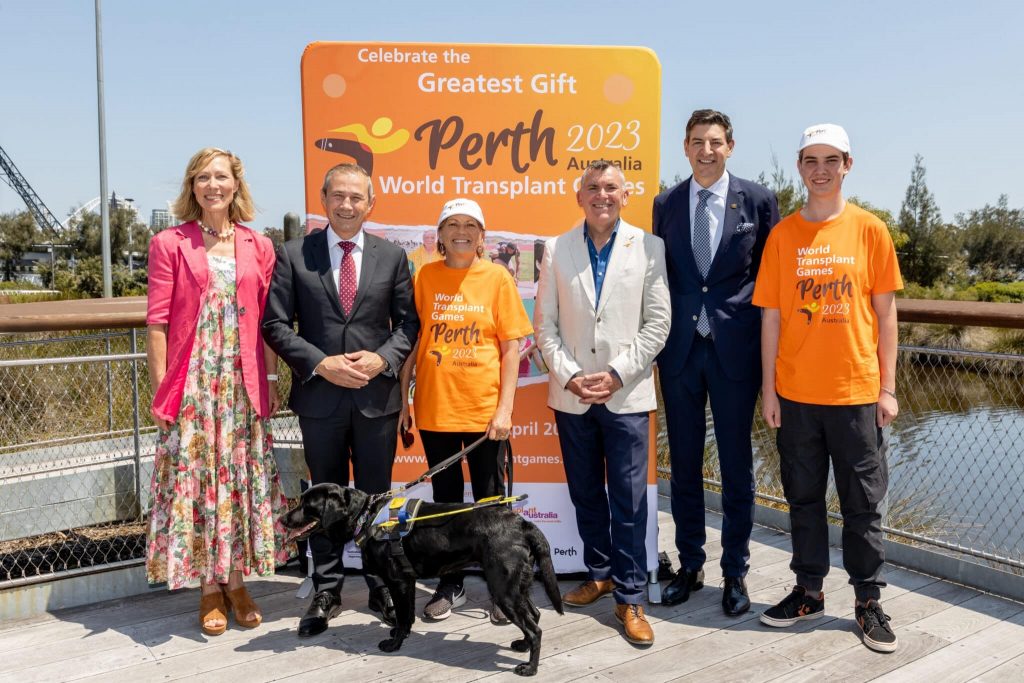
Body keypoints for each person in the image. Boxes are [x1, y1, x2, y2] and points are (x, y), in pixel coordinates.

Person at [753, 124, 902, 653]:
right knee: (803, 500)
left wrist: (887, 387)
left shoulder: (870, 230)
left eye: (831, 160)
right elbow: (770, 318)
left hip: (857, 395)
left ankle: (867, 602)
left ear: (847, 165)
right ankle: (809, 592)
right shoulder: (783, 236)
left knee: (863, 505)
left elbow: (886, 316)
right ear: (799, 166)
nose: (821, 169)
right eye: (811, 160)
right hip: (795, 394)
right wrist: (769, 391)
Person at [262, 163, 419, 638]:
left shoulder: (392, 256)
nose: (347, 205)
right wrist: (321, 363)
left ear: (371, 204)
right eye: (338, 196)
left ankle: (380, 584)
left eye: (356, 197)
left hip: (376, 400)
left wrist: (380, 360)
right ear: (324, 199)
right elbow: (274, 325)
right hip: (320, 400)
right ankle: (326, 587)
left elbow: (408, 325)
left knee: (375, 501)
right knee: (322, 500)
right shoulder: (292, 254)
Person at [145, 147, 291, 636]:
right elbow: (158, 323)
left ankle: (237, 580)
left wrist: (269, 383)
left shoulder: (260, 245)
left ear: (236, 185)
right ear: (192, 186)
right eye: (203, 177)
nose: (213, 185)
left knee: (239, 480)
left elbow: (269, 322)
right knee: (199, 480)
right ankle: (209, 587)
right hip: (193, 384)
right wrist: (163, 393)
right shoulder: (169, 242)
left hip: (242, 384)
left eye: (221, 177)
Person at [534, 160, 670, 646]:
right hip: (571, 397)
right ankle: (600, 573)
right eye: (592, 187)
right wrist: (571, 377)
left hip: (627, 395)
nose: (602, 195)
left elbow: (659, 322)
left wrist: (615, 374)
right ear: (579, 196)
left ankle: (630, 598)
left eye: (610, 187)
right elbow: (544, 325)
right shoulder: (556, 248)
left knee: (630, 502)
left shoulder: (649, 247)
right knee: (586, 492)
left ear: (625, 194)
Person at [653, 109, 780, 615]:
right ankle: (690, 564)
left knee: (736, 467)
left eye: (715, 142)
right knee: (683, 465)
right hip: (680, 351)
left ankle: (735, 572)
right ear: (684, 148)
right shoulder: (665, 203)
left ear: (730, 146)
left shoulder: (759, 200)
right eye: (696, 141)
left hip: (735, 349)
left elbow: (769, 278)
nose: (706, 150)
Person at [398, 197, 533, 623]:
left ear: (482, 236)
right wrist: (404, 398)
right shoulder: (424, 276)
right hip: (436, 410)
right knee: (446, 505)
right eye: (452, 224)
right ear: (438, 234)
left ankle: (501, 588)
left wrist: (505, 409)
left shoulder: (497, 278)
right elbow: (413, 341)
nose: (461, 231)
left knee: (492, 506)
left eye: (470, 225)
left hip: (484, 415)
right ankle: (451, 582)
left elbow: (512, 349)